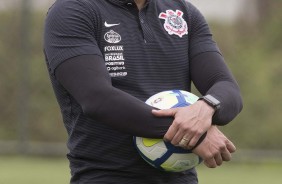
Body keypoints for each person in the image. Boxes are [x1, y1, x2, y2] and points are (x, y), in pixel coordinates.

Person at [43, 0, 243, 183]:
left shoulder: (183, 12)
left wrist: (206, 108)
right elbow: (97, 98)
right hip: (106, 176)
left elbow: (226, 87)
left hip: (181, 179)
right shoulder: (73, 11)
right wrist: (194, 134)